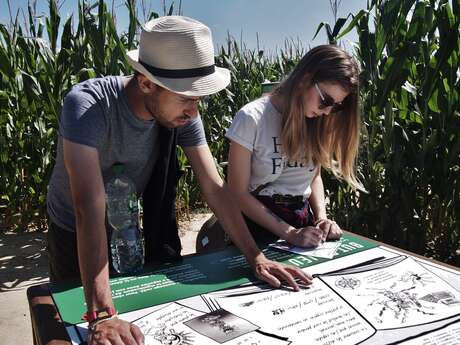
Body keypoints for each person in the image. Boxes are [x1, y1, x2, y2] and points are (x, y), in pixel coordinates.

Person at [46, 16, 312, 345]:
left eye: (199, 99)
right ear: (146, 83)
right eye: (187, 97)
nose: (193, 111)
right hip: (74, 229)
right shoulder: (88, 107)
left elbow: (215, 187)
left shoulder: (181, 113)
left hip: (125, 227)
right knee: (73, 326)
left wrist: (255, 256)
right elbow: (87, 207)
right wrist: (101, 314)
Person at [224, 44, 362, 248]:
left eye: (336, 106)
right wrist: (289, 233)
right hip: (257, 228)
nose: (327, 112)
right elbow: (238, 193)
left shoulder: (316, 122)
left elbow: (314, 177)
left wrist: (321, 218)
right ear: (305, 80)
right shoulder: (251, 118)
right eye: (326, 101)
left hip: (304, 227)